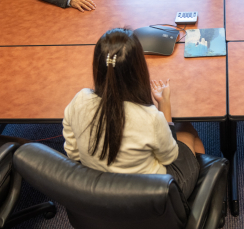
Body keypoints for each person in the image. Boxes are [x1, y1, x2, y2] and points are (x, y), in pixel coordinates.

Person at [62, 28, 205, 201]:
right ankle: (198, 199)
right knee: (188, 131)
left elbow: (73, 154)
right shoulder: (150, 117)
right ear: (138, 69)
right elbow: (169, 157)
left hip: (99, 193)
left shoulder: (79, 100)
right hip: (155, 191)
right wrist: (164, 106)